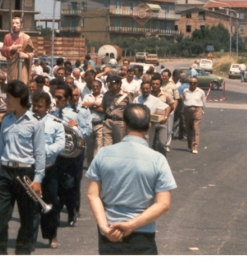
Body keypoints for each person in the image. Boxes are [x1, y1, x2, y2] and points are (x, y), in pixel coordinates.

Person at [86, 104, 177, 255]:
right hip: (143, 232)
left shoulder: (104, 154)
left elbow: (92, 195)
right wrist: (131, 225)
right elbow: (164, 204)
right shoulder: (158, 159)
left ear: (124, 124)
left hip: (110, 231)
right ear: (149, 126)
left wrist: (104, 228)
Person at [0, 80, 46, 255]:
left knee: (27, 219)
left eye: (8, 96)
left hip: (25, 173)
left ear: (18, 98)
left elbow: (40, 153)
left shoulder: (35, 122)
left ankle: (22, 254)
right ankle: (0, 253)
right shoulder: (6, 120)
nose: (6, 100)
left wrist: (38, 180)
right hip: (5, 172)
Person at [54, 83, 92, 227]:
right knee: (58, 184)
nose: (56, 100)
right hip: (58, 153)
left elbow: (87, 131)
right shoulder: (54, 113)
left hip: (75, 153)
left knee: (72, 183)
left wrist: (76, 127)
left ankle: (72, 210)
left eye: (59, 97)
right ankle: (58, 212)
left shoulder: (79, 112)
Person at [31, 91, 64, 249]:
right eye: (35, 106)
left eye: (40, 106)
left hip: (49, 168)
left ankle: (52, 235)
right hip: (31, 168)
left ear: (48, 107)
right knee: (30, 205)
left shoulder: (55, 123)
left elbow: (60, 145)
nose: (37, 109)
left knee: (51, 203)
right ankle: (29, 237)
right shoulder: (27, 121)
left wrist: (43, 151)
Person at [135, 81, 171, 157]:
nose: (145, 90)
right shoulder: (136, 99)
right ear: (141, 89)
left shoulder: (155, 100)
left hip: (149, 127)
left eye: (147, 88)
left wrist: (165, 117)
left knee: (148, 146)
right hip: (138, 126)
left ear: (150, 89)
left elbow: (167, 107)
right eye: (143, 88)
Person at [101, 75, 134, 147]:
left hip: (120, 123)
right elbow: (103, 108)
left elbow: (130, 110)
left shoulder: (126, 95)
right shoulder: (107, 95)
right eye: (110, 83)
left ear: (119, 84)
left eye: (113, 83)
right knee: (107, 145)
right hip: (108, 121)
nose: (110, 85)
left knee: (119, 145)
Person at [1, 16, 34, 83]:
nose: (14, 25)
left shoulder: (26, 38)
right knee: (12, 84)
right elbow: (3, 50)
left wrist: (26, 55)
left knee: (22, 84)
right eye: (13, 23)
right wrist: (10, 48)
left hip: (22, 66)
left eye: (17, 23)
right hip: (11, 66)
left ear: (21, 25)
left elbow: (32, 52)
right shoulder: (7, 37)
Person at [83, 80, 105, 165]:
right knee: (89, 147)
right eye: (94, 86)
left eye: (97, 86)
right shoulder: (87, 96)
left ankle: (96, 165)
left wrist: (91, 107)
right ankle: (89, 165)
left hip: (100, 124)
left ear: (100, 87)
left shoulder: (103, 97)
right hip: (89, 124)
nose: (95, 88)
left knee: (99, 146)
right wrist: (95, 103)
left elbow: (104, 110)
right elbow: (84, 105)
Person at [182, 77, 206, 154]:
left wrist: (202, 110)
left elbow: (203, 102)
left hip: (197, 109)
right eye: (191, 83)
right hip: (187, 109)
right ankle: (190, 145)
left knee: (196, 128)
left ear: (197, 84)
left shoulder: (201, 92)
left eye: (194, 83)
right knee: (188, 129)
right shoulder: (185, 91)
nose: (192, 84)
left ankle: (195, 146)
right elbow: (183, 100)